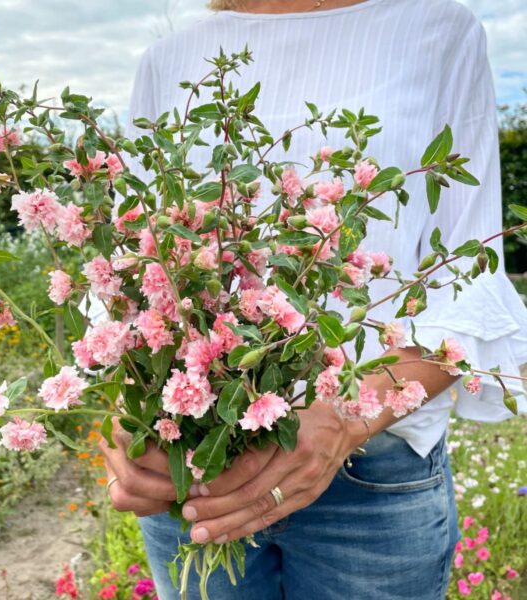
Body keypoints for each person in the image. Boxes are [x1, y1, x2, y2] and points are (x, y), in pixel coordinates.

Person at [98, 1, 527, 598]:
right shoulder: (167, 60)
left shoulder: (436, 31)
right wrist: (130, 415)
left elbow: (473, 281)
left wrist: (346, 421)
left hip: (369, 481)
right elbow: (134, 264)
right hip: (196, 468)